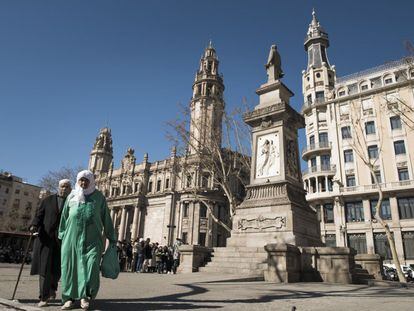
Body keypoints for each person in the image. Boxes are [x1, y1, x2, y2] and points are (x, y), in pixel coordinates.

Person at [58, 170, 116, 310]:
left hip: (92, 240)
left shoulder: (99, 197)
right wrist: (62, 235)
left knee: (91, 267)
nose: (83, 183)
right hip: (71, 239)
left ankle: (85, 296)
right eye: (81, 180)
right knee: (69, 268)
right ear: (78, 181)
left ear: (91, 182)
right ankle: (69, 298)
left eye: (86, 180)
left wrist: (111, 237)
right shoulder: (71, 197)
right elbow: (64, 218)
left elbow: (106, 218)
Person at [30, 179, 72, 307]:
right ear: (58, 187)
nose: (64, 189)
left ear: (70, 189)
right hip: (46, 239)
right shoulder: (47, 200)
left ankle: (52, 288)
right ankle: (43, 297)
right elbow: (38, 216)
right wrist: (34, 225)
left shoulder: (72, 202)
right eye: (62, 186)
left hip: (63, 241)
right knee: (44, 269)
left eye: (67, 187)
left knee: (57, 268)